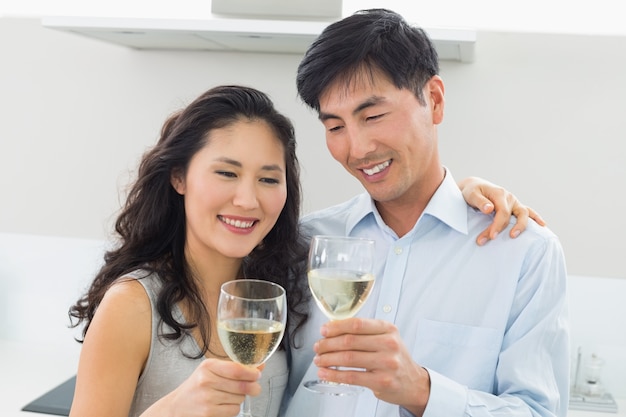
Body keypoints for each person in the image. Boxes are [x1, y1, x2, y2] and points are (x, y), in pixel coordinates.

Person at [67, 86, 541, 416]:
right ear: (178, 177)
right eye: (227, 173)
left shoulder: (287, 275)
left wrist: (464, 197)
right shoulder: (133, 305)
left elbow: (410, 215)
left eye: (269, 179)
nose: (247, 200)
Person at [282, 8, 569, 417]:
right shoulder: (303, 243)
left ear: (433, 100)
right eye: (335, 127)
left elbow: (540, 411)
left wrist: (422, 390)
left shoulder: (524, 254)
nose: (357, 148)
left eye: (373, 116)